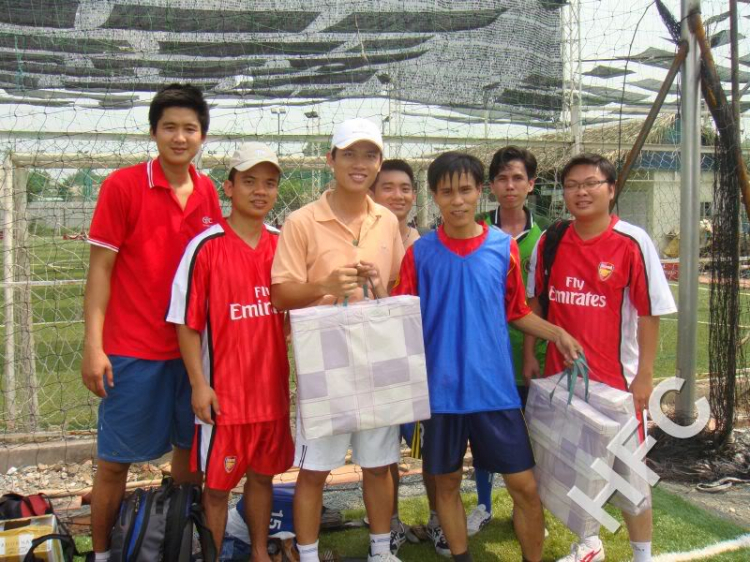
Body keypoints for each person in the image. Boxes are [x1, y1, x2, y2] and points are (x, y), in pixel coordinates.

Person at [392, 152, 583, 562]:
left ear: (480, 191)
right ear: (435, 195)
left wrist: (556, 332)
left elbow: (516, 310)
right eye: (447, 192)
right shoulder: (420, 254)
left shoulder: (503, 248)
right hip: (438, 397)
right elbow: (399, 317)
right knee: (444, 485)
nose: (457, 200)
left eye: (465, 190)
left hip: (494, 392)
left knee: (525, 487)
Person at [81, 84, 222, 562]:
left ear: (202, 136)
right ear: (153, 132)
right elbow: (100, 270)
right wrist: (93, 346)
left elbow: (212, 273)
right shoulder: (121, 186)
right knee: (115, 462)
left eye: (189, 128)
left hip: (190, 354)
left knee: (189, 456)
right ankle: (102, 554)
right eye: (170, 128)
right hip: (132, 350)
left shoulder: (207, 191)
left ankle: (179, 546)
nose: (179, 138)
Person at [526, 153, 677, 562]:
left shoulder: (632, 241)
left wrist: (644, 376)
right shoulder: (551, 239)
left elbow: (649, 313)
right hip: (563, 381)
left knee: (630, 477)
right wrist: (530, 354)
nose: (581, 191)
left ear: (611, 190)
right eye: (572, 185)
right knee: (574, 467)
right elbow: (537, 303)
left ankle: (641, 553)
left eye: (591, 183)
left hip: (616, 384)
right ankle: (588, 545)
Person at [271, 118, 406, 562]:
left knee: (378, 464)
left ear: (379, 163)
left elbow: (393, 289)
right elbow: (280, 294)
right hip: (323, 363)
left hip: (376, 361)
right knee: (313, 468)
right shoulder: (302, 221)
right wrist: (324, 285)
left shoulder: (387, 221)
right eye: (349, 154)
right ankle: (308, 554)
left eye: (369, 155)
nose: (359, 164)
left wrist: (379, 289)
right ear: (330, 159)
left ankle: (381, 550)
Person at [166, 143, 293, 561]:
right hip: (226, 402)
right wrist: (199, 385)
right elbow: (187, 324)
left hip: (271, 397)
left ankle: (258, 553)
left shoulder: (284, 246)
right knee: (217, 490)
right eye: (250, 181)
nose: (261, 191)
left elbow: (294, 308)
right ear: (229, 187)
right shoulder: (206, 247)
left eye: (270, 183)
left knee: (262, 479)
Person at [370, 159, 447, 557]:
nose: (397, 195)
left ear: (415, 196)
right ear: (372, 193)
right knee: (384, 453)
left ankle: (438, 518)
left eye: (404, 188)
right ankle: (391, 522)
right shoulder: (365, 241)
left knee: (429, 448)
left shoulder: (427, 245)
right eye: (387, 187)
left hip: (421, 365)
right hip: (380, 366)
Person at [471, 146, 550, 536]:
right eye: (502, 178)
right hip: (484, 362)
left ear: (531, 185)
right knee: (484, 440)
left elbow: (537, 302)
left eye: (518, 178)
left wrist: (534, 352)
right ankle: (483, 506)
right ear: (490, 186)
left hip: (528, 358)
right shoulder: (474, 229)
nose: (510, 185)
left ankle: (536, 508)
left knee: (532, 437)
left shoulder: (546, 238)